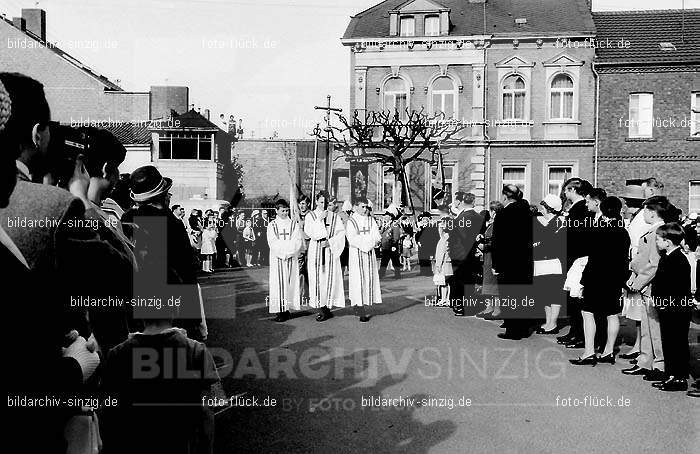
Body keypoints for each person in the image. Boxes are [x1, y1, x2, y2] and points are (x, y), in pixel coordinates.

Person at [2, 72, 105, 454]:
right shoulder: (58, 206)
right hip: (49, 407)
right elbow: (124, 277)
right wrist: (84, 200)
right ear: (37, 134)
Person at [100, 302, 219, 454]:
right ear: (174, 311)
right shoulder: (197, 351)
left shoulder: (117, 354)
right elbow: (206, 414)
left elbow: (109, 416)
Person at [122, 166, 204, 341]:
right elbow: (186, 271)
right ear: (163, 194)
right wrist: (194, 320)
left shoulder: (127, 219)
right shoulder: (172, 223)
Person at [621, 196, 677, 380]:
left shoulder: (656, 232)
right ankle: (646, 361)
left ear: (652, 213)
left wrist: (637, 283)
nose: (642, 213)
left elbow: (653, 264)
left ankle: (658, 365)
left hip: (651, 286)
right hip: (646, 284)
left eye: (645, 210)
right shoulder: (654, 230)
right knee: (647, 327)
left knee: (653, 328)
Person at [570, 197, 630, 366]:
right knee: (612, 314)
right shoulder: (623, 232)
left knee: (588, 312)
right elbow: (624, 258)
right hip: (615, 278)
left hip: (596, 277)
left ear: (603, 210)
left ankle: (589, 351)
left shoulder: (599, 230)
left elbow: (592, 258)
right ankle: (609, 351)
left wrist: (583, 281)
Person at [651, 223, 693, 391]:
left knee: (677, 343)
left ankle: (679, 377)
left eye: (659, 239)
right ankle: (671, 374)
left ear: (668, 241)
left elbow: (676, 288)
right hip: (667, 308)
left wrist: (664, 302)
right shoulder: (667, 257)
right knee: (669, 341)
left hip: (676, 309)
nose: (657, 242)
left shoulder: (679, 260)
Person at [491, 185, 533, 339]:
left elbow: (498, 241)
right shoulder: (527, 212)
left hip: (507, 261)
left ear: (504, 196)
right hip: (525, 260)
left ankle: (513, 330)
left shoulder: (503, 213)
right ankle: (523, 327)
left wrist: (496, 264)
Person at [556, 177, 593, 348]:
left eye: (566, 189)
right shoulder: (577, 208)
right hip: (573, 256)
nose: (564, 193)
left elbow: (576, 236)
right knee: (572, 298)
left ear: (573, 190)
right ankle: (574, 331)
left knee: (575, 298)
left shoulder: (580, 209)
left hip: (575, 257)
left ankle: (578, 334)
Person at [304, 190, 346, 321]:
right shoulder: (310, 216)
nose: (324, 204)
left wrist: (331, 242)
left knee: (328, 279)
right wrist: (319, 220)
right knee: (317, 280)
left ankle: (327, 307)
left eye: (326, 202)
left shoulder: (334, 217)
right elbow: (310, 233)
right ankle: (322, 308)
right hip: (316, 250)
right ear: (316, 202)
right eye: (321, 202)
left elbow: (341, 234)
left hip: (329, 252)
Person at [447, 192, 485, 317]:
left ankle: (460, 305)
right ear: (473, 202)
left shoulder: (464, 216)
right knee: (468, 280)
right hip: (470, 252)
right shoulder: (478, 217)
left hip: (460, 252)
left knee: (460, 280)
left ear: (464, 201)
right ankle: (467, 304)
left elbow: (464, 235)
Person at [533, 194, 566, 334]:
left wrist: (537, 245)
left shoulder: (559, 223)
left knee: (553, 294)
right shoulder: (548, 223)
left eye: (544, 207)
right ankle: (548, 322)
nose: (542, 210)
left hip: (553, 263)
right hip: (542, 263)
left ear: (549, 209)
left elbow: (551, 244)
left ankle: (552, 323)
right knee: (545, 294)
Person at [346, 198, 382, 322]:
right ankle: (360, 307)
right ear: (355, 207)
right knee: (358, 280)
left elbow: (376, 235)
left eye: (366, 207)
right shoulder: (351, 221)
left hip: (369, 254)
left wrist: (369, 244)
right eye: (362, 207)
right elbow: (352, 238)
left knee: (367, 278)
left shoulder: (371, 220)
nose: (365, 209)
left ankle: (363, 303)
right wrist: (366, 243)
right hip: (356, 254)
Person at [267, 199, 302, 322]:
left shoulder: (293, 224)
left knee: (290, 283)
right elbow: (272, 242)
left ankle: (287, 309)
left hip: (291, 258)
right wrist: (283, 254)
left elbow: (297, 241)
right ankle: (280, 311)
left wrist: (289, 253)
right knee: (278, 284)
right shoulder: (272, 225)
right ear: (276, 211)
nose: (285, 213)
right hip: (278, 259)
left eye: (287, 210)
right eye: (282, 211)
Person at [476, 201, 503, 320]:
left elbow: (497, 242)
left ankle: (497, 309)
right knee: (487, 283)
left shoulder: (499, 224)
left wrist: (485, 246)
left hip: (493, 256)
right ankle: (489, 307)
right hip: (487, 257)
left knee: (493, 284)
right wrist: (481, 237)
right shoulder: (492, 224)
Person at [433, 217, 453, 308]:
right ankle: (444, 299)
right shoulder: (444, 237)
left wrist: (439, 264)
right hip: (443, 262)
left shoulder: (447, 237)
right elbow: (440, 230)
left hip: (445, 262)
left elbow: (443, 252)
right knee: (443, 283)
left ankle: (447, 299)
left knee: (446, 283)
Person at [378, 210, 402, 279]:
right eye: (385, 216)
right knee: (384, 261)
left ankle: (397, 274)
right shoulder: (385, 225)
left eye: (386, 216)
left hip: (392, 246)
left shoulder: (394, 224)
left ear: (390, 217)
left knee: (395, 261)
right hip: (385, 246)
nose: (385, 217)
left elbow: (396, 236)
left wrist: (394, 244)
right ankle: (381, 274)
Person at [297, 194, 311, 304]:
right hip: (299, 247)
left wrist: (302, 224)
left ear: (308, 204)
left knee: (308, 272)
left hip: (309, 246)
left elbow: (310, 233)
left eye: (303, 203)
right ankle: (300, 294)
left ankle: (308, 294)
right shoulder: (296, 216)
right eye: (300, 203)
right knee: (300, 271)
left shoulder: (311, 216)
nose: (301, 206)